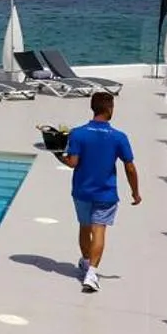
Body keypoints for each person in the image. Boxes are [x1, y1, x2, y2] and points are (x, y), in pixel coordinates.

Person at [57, 90, 139, 293]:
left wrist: (58, 154)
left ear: (92, 108)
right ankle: (91, 273)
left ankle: (86, 262)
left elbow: (72, 163)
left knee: (85, 228)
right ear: (110, 109)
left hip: (82, 191)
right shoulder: (119, 137)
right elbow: (129, 167)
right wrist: (135, 192)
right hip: (106, 193)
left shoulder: (77, 133)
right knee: (99, 230)